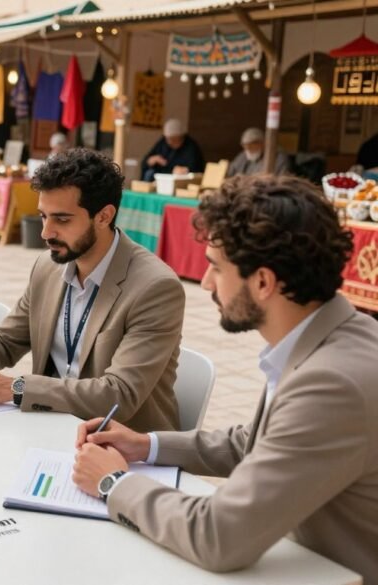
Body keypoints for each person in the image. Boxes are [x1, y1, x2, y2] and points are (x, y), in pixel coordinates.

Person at [72, 175, 377, 581]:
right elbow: (260, 442)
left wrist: (112, 483)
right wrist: (146, 445)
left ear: (263, 282)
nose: (206, 282)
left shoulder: (332, 384)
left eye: (216, 267)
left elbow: (217, 536)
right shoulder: (343, 333)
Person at [0, 148, 183, 431]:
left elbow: (119, 395)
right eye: (43, 216)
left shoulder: (155, 288)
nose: (45, 233)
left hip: (119, 441)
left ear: (104, 216)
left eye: (62, 220)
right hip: (50, 424)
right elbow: (8, 338)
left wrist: (16, 388)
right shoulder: (48, 266)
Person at [140, 118, 205, 181]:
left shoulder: (191, 147)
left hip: (179, 181)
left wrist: (186, 170)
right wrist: (151, 160)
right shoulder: (162, 143)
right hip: (160, 178)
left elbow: (198, 170)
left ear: (181, 137)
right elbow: (145, 162)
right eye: (168, 139)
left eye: (173, 139)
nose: (169, 142)